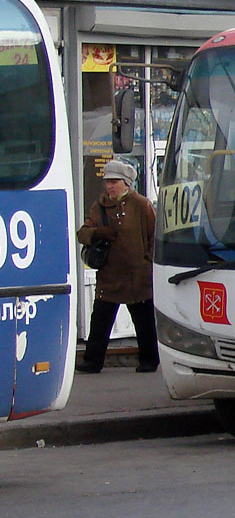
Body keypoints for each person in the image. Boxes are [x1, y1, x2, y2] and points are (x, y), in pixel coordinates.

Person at [75, 159, 160, 374]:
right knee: (100, 320)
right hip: (109, 275)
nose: (109, 186)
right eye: (107, 182)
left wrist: (147, 261)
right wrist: (97, 233)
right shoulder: (99, 206)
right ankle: (93, 361)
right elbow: (82, 234)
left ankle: (149, 360)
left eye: (114, 181)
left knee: (144, 322)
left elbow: (155, 236)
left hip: (137, 276)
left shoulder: (141, 204)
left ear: (126, 183)